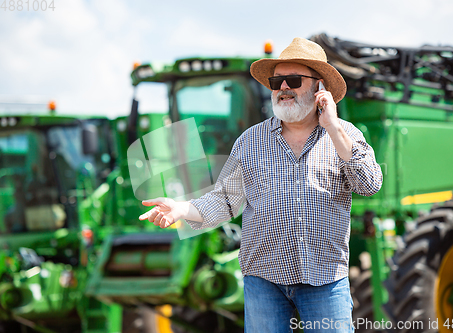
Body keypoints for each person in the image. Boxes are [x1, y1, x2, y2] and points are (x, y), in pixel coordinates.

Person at [139, 37, 383, 333]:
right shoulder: (250, 141)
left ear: (320, 88)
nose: (283, 88)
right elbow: (225, 200)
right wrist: (182, 208)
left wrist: (332, 126)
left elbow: (369, 184)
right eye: (276, 81)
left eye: (293, 80)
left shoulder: (345, 135)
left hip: (325, 279)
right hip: (263, 282)